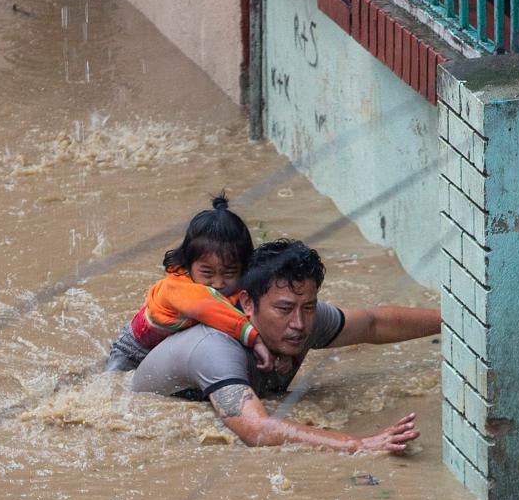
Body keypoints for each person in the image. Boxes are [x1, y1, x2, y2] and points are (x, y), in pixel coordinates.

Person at [131, 239, 442, 453]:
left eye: (308, 307)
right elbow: (257, 431)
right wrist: (358, 444)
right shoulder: (215, 349)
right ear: (248, 304)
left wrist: (456, 320)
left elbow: (374, 323)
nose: (299, 324)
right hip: (140, 411)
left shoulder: (304, 318)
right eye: (284, 309)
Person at [105, 194, 274, 373]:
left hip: (172, 351)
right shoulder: (177, 288)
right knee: (111, 384)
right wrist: (255, 340)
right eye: (207, 273)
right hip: (134, 353)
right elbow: (208, 307)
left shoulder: (240, 290)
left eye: (229, 273)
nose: (217, 283)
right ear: (187, 264)